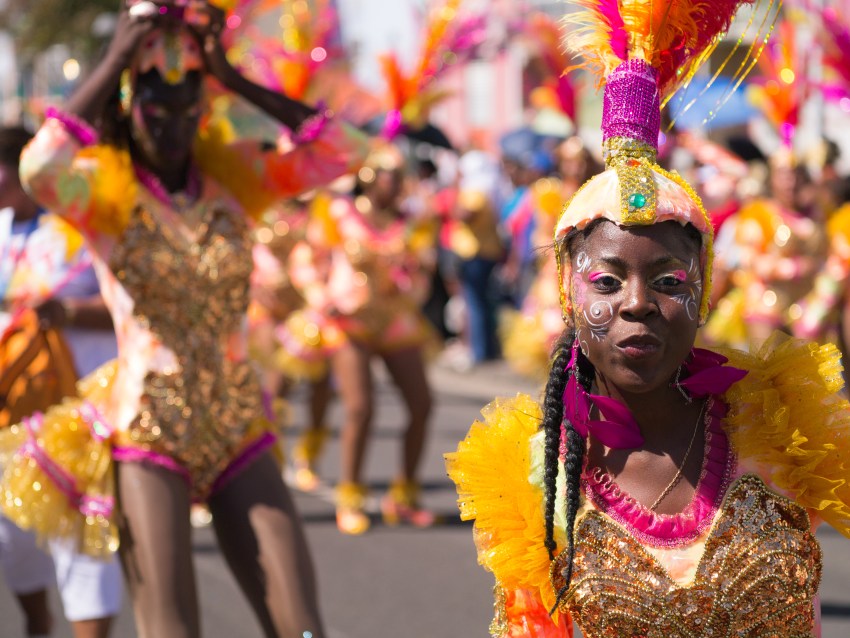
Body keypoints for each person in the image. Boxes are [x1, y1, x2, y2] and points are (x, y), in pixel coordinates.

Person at [446, 1, 849, 635]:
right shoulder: (535, 476)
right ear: (567, 292)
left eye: (668, 281)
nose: (637, 303)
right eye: (606, 281)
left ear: (705, 291)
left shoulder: (781, 427)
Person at [2, 2, 367, 637]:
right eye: (154, 109)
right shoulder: (106, 197)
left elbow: (346, 152)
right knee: (171, 628)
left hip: (237, 422)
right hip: (148, 429)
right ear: (127, 105)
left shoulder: (237, 182)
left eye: (188, 108)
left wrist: (232, 76)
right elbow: (38, 167)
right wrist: (116, 55)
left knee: (302, 625)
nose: (172, 126)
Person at [0, 125, 122, 638]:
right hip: (10, 414)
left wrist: (66, 312)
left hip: (81, 417)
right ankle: (36, 621)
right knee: (11, 540)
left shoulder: (86, 226)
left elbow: (132, 309)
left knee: (84, 550)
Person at [287, 146, 436, 535]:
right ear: (369, 177)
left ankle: (403, 495)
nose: (397, 183)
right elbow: (307, 259)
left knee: (421, 403)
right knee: (360, 407)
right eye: (389, 174)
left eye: (401, 175)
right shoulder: (339, 214)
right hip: (348, 322)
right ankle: (349, 495)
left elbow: (422, 272)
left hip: (394, 320)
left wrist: (411, 287)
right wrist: (322, 299)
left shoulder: (409, 224)